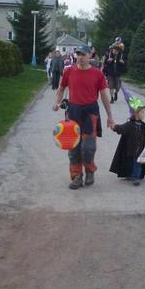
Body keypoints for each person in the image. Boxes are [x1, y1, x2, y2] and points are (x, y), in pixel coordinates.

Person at [53, 46, 114, 189]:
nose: (80, 57)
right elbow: (61, 89)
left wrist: (110, 116)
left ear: (90, 55)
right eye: (78, 54)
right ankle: (77, 176)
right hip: (73, 112)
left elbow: (104, 95)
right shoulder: (69, 71)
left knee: (88, 147)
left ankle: (90, 170)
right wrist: (56, 102)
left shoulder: (97, 73)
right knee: (73, 147)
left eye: (83, 54)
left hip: (90, 113)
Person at [110, 96, 145, 186]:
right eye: (142, 112)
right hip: (129, 149)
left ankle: (136, 177)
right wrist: (114, 126)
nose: (144, 114)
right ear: (136, 114)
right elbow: (121, 129)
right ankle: (129, 174)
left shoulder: (143, 125)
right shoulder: (130, 125)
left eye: (144, 112)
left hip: (139, 150)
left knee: (137, 163)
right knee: (129, 163)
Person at [104, 36, 126, 102]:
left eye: (116, 50)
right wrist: (108, 61)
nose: (115, 51)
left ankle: (116, 93)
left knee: (118, 87)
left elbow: (125, 64)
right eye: (114, 49)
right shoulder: (109, 54)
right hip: (110, 73)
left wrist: (123, 63)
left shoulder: (121, 55)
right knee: (111, 86)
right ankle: (112, 98)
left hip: (118, 73)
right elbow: (105, 63)